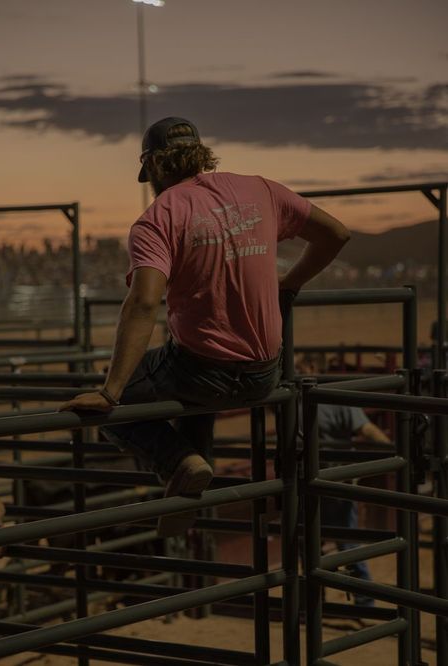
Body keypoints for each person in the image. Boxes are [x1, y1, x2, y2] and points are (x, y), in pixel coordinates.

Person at [59, 116, 350, 537]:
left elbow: (143, 301)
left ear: (156, 165)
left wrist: (110, 391)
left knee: (115, 411)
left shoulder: (158, 218)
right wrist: (291, 282)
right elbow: (336, 234)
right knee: (193, 380)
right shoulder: (260, 189)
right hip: (264, 372)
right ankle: (190, 466)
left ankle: (179, 462)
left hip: (201, 372)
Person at [297, 353, 391, 607]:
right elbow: (366, 428)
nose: (294, 366)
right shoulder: (301, 395)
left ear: (313, 366)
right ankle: (329, 602)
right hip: (324, 482)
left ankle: (355, 602)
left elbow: (366, 428)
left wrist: (393, 448)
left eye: (299, 362)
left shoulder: (301, 397)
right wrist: (394, 449)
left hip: (326, 483)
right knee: (322, 545)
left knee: (335, 544)